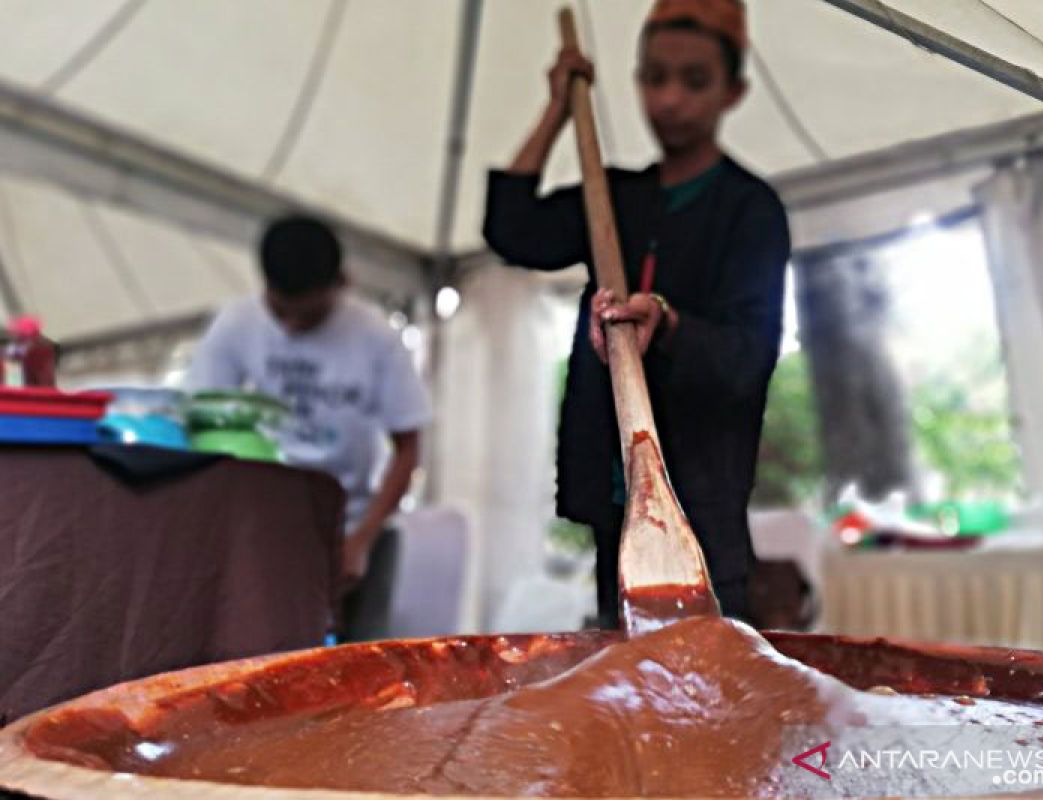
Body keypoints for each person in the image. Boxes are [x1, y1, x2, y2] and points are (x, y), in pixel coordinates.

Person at [483, 0, 790, 627]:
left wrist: (668, 325)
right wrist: (556, 108)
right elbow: (511, 228)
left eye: (694, 80)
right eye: (654, 77)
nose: (670, 98)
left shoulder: (749, 210)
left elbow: (747, 358)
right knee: (626, 685)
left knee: (714, 688)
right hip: (614, 499)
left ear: (733, 91)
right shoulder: (618, 196)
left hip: (703, 499)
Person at [188, 215, 432, 641]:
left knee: (363, 669)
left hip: (359, 524)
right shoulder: (236, 325)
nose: (292, 326)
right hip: (267, 525)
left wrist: (362, 540)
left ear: (342, 282)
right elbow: (201, 423)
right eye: (280, 312)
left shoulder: (376, 337)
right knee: (263, 657)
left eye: (308, 315)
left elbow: (408, 449)